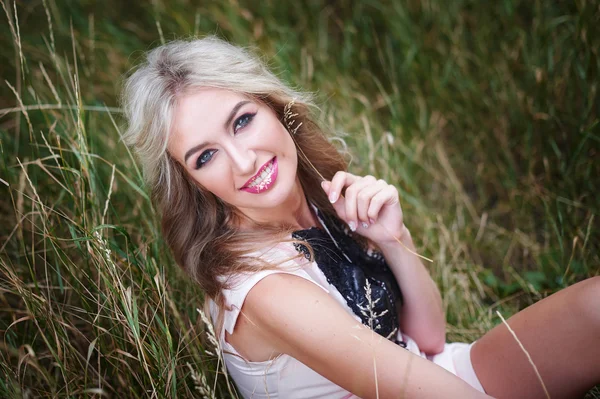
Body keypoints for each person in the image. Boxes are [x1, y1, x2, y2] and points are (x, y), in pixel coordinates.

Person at [121, 36, 600, 399]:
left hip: (436, 374)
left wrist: (394, 239)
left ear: (275, 107)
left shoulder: (315, 193)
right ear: (191, 180)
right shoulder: (266, 289)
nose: (244, 162)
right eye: (206, 156)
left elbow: (428, 338)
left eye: (242, 121)